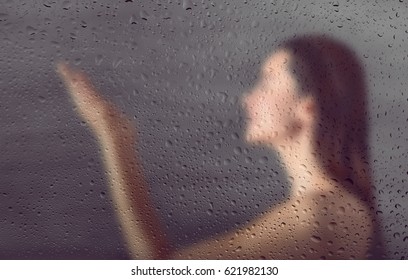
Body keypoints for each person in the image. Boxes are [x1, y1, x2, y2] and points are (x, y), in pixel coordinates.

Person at [56, 34, 382, 259]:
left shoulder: (317, 216)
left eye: (267, 80)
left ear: (308, 106)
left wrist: (114, 137)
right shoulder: (341, 208)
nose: (248, 97)